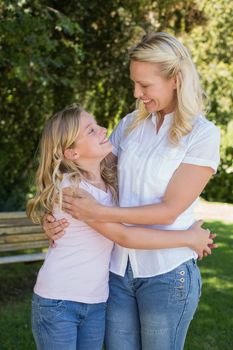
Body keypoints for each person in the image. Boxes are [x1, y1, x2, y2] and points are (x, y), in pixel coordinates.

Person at [43, 32, 220, 350]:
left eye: (146, 85)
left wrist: (99, 213)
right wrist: (52, 211)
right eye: (134, 84)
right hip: (115, 271)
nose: (137, 93)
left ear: (175, 80)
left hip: (166, 273)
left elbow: (169, 209)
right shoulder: (129, 125)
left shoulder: (203, 135)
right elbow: (85, 171)